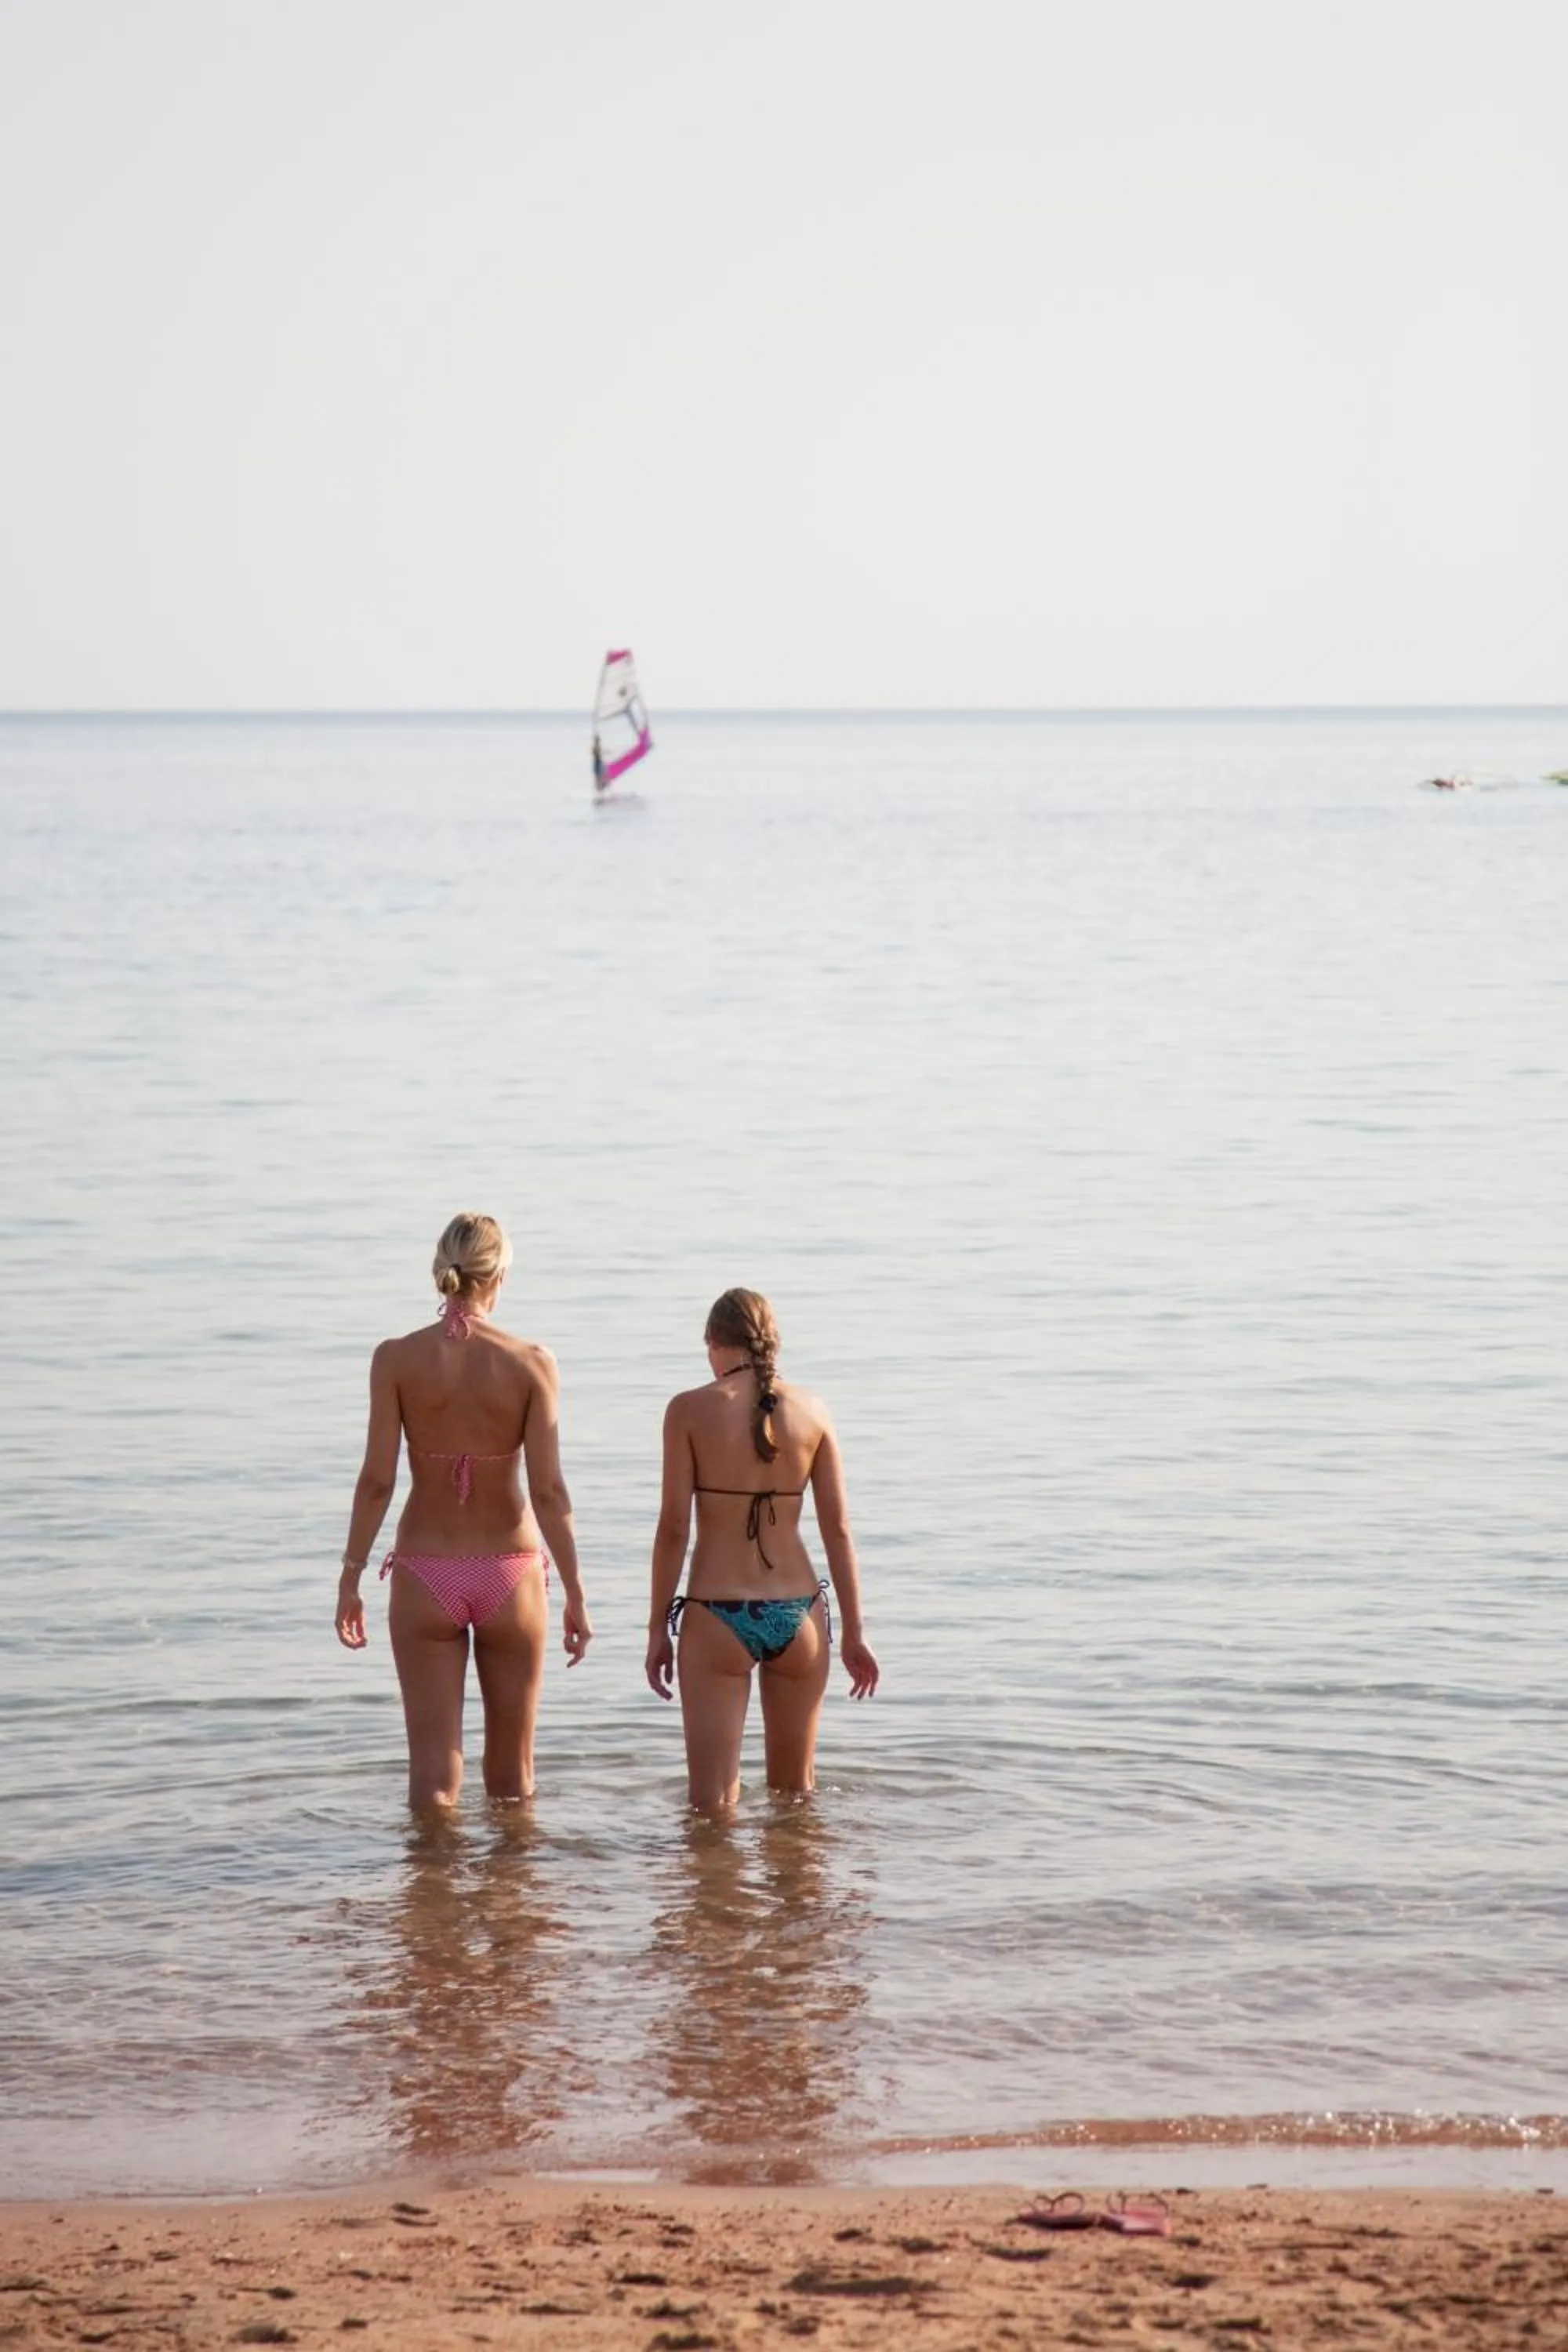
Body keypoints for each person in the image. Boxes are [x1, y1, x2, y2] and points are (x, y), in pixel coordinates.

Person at [335, 1212, 592, 1811]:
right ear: (499, 1274)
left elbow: (376, 1480)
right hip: (511, 1571)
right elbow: (549, 1490)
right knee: (513, 1776)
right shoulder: (532, 1362)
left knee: (432, 1780)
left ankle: (429, 1902)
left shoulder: (395, 1359)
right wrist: (577, 1591)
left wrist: (351, 1577)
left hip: (425, 1571)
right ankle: (512, 1901)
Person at [645, 1287, 877, 1813]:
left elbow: (674, 1528)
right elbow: (837, 1529)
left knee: (710, 1810)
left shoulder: (688, 1410)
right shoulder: (814, 1411)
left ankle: (717, 1897)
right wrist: (856, 1634)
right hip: (800, 1615)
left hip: (716, 1616)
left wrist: (657, 1629)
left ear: (713, 1343)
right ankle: (800, 1892)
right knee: (797, 1801)